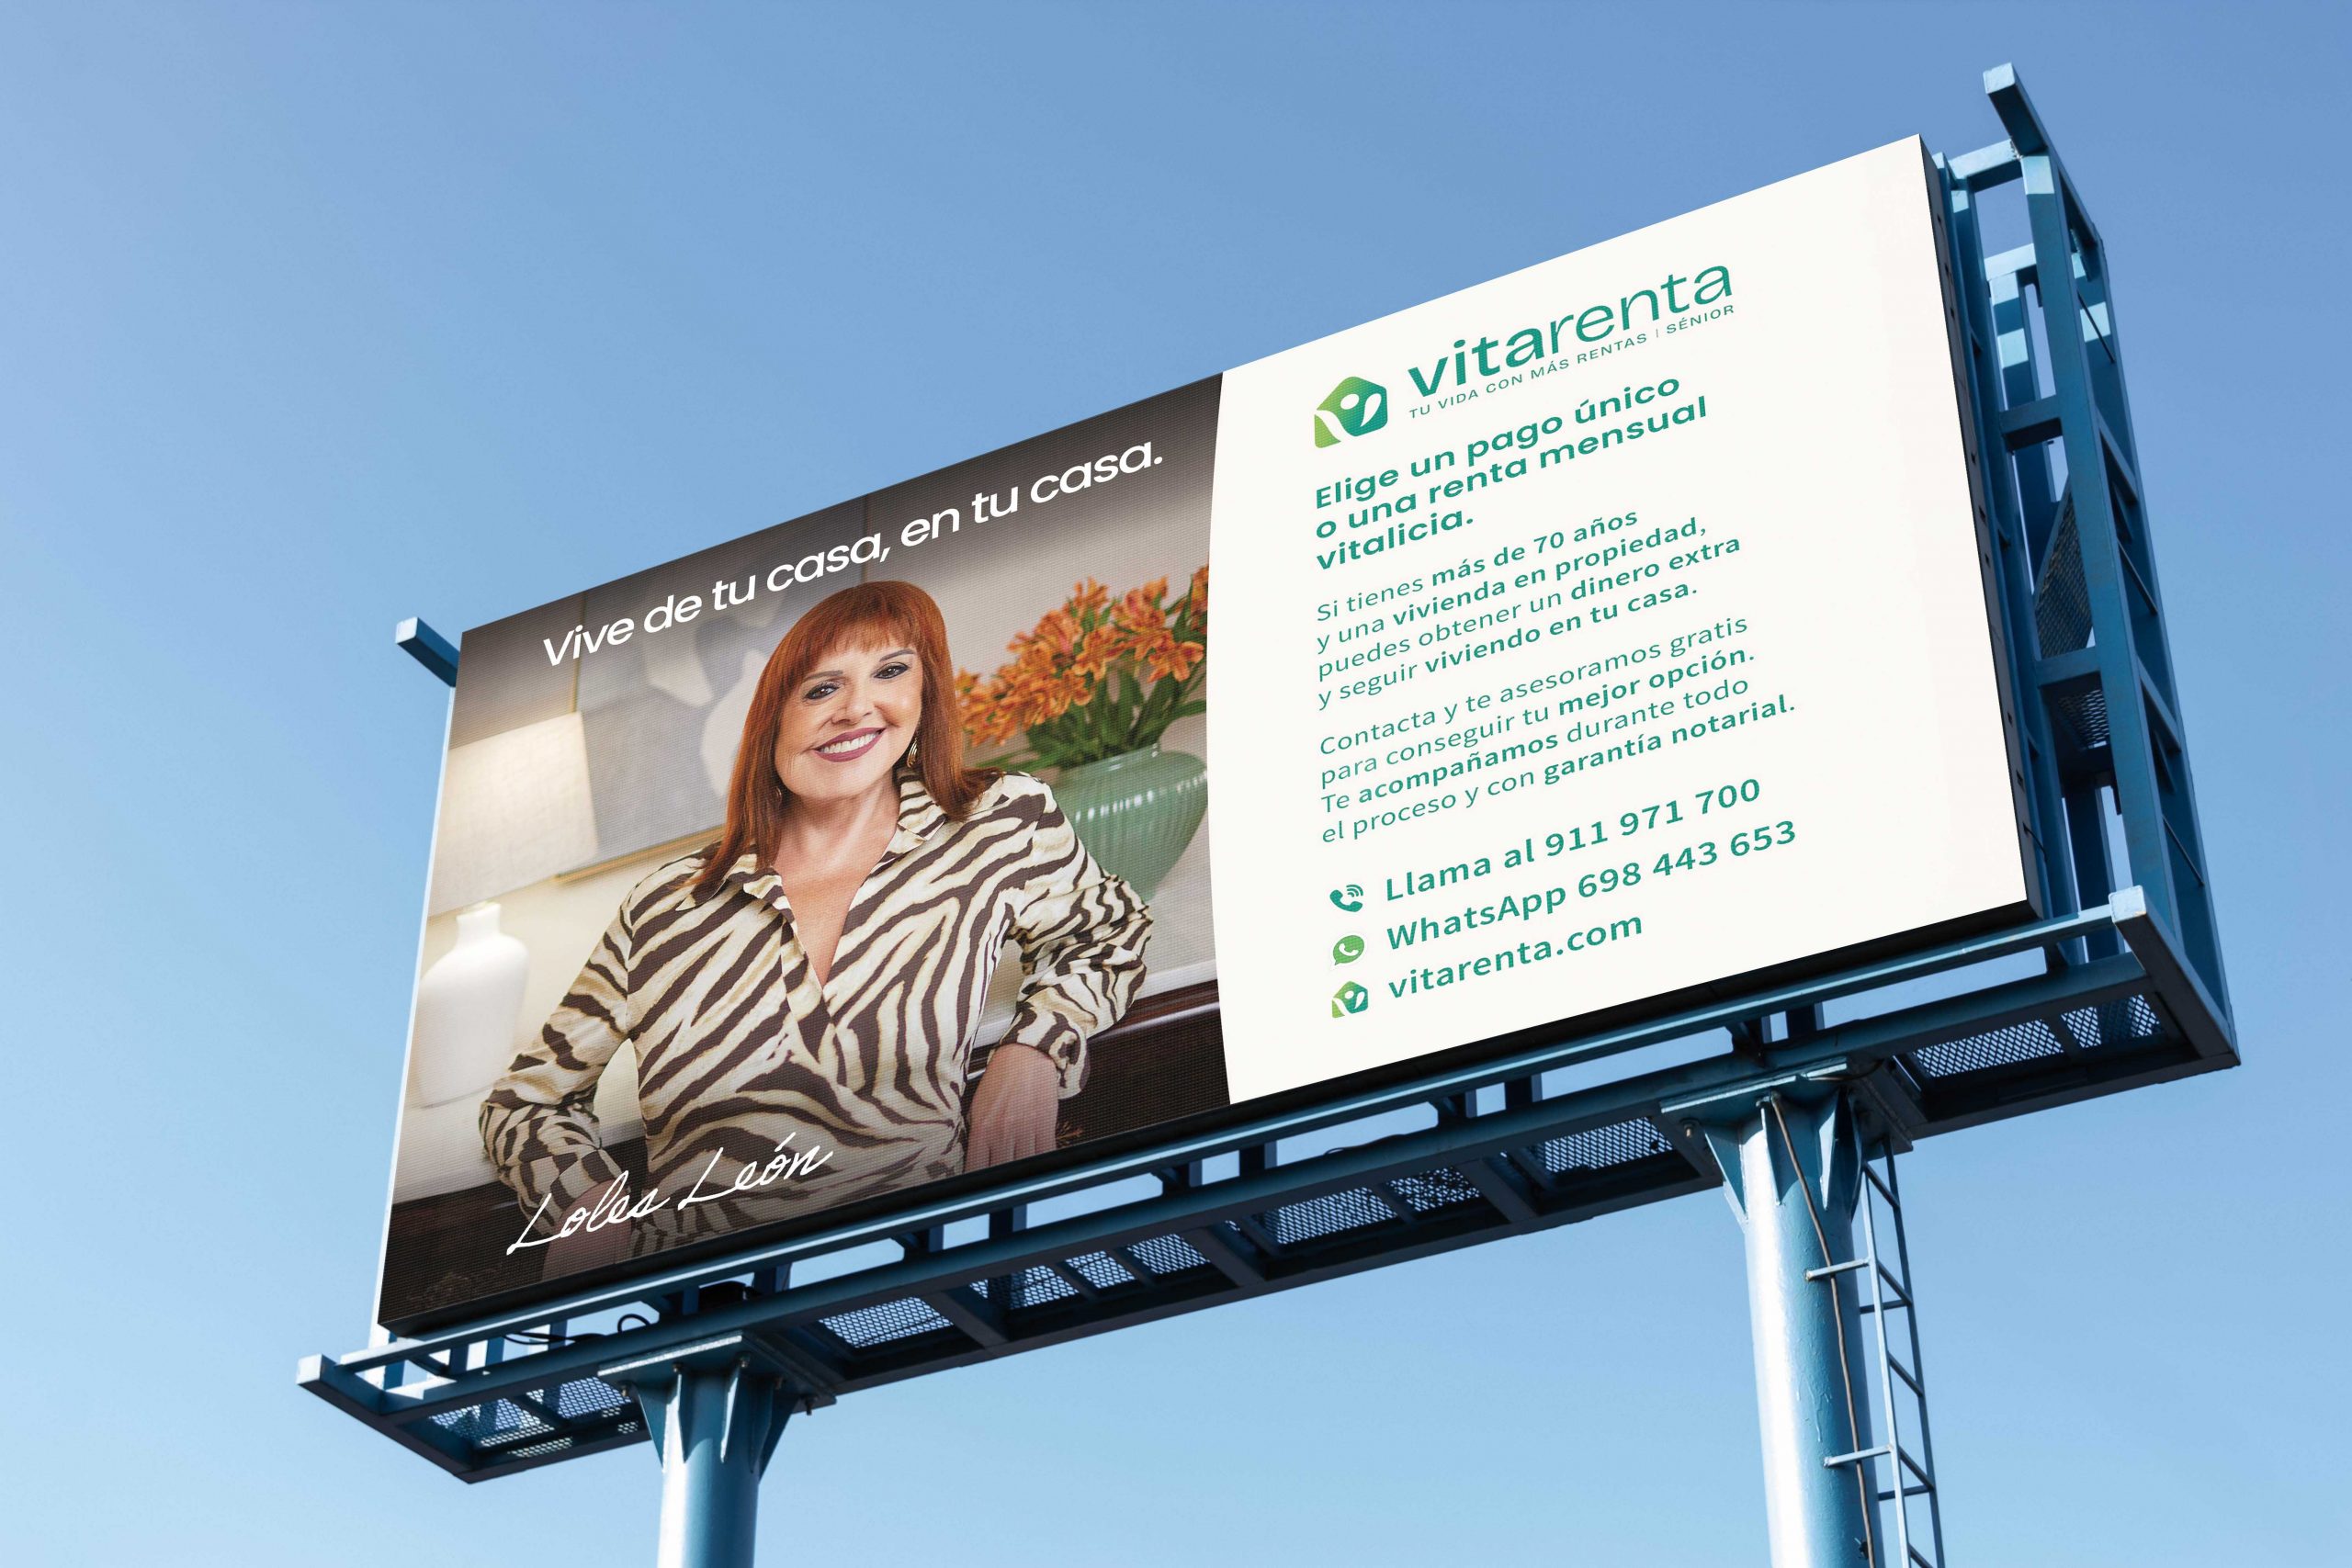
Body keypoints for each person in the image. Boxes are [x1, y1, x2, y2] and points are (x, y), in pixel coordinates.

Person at [481, 580, 1151, 1276]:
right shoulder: (664, 905)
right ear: (773, 722)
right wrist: (590, 1201)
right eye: (820, 688)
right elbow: (524, 1102)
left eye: (891, 671)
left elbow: (1108, 935)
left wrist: (1032, 1052)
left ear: (924, 697)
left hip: (920, 1269)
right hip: (692, 1298)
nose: (857, 706)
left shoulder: (997, 821)